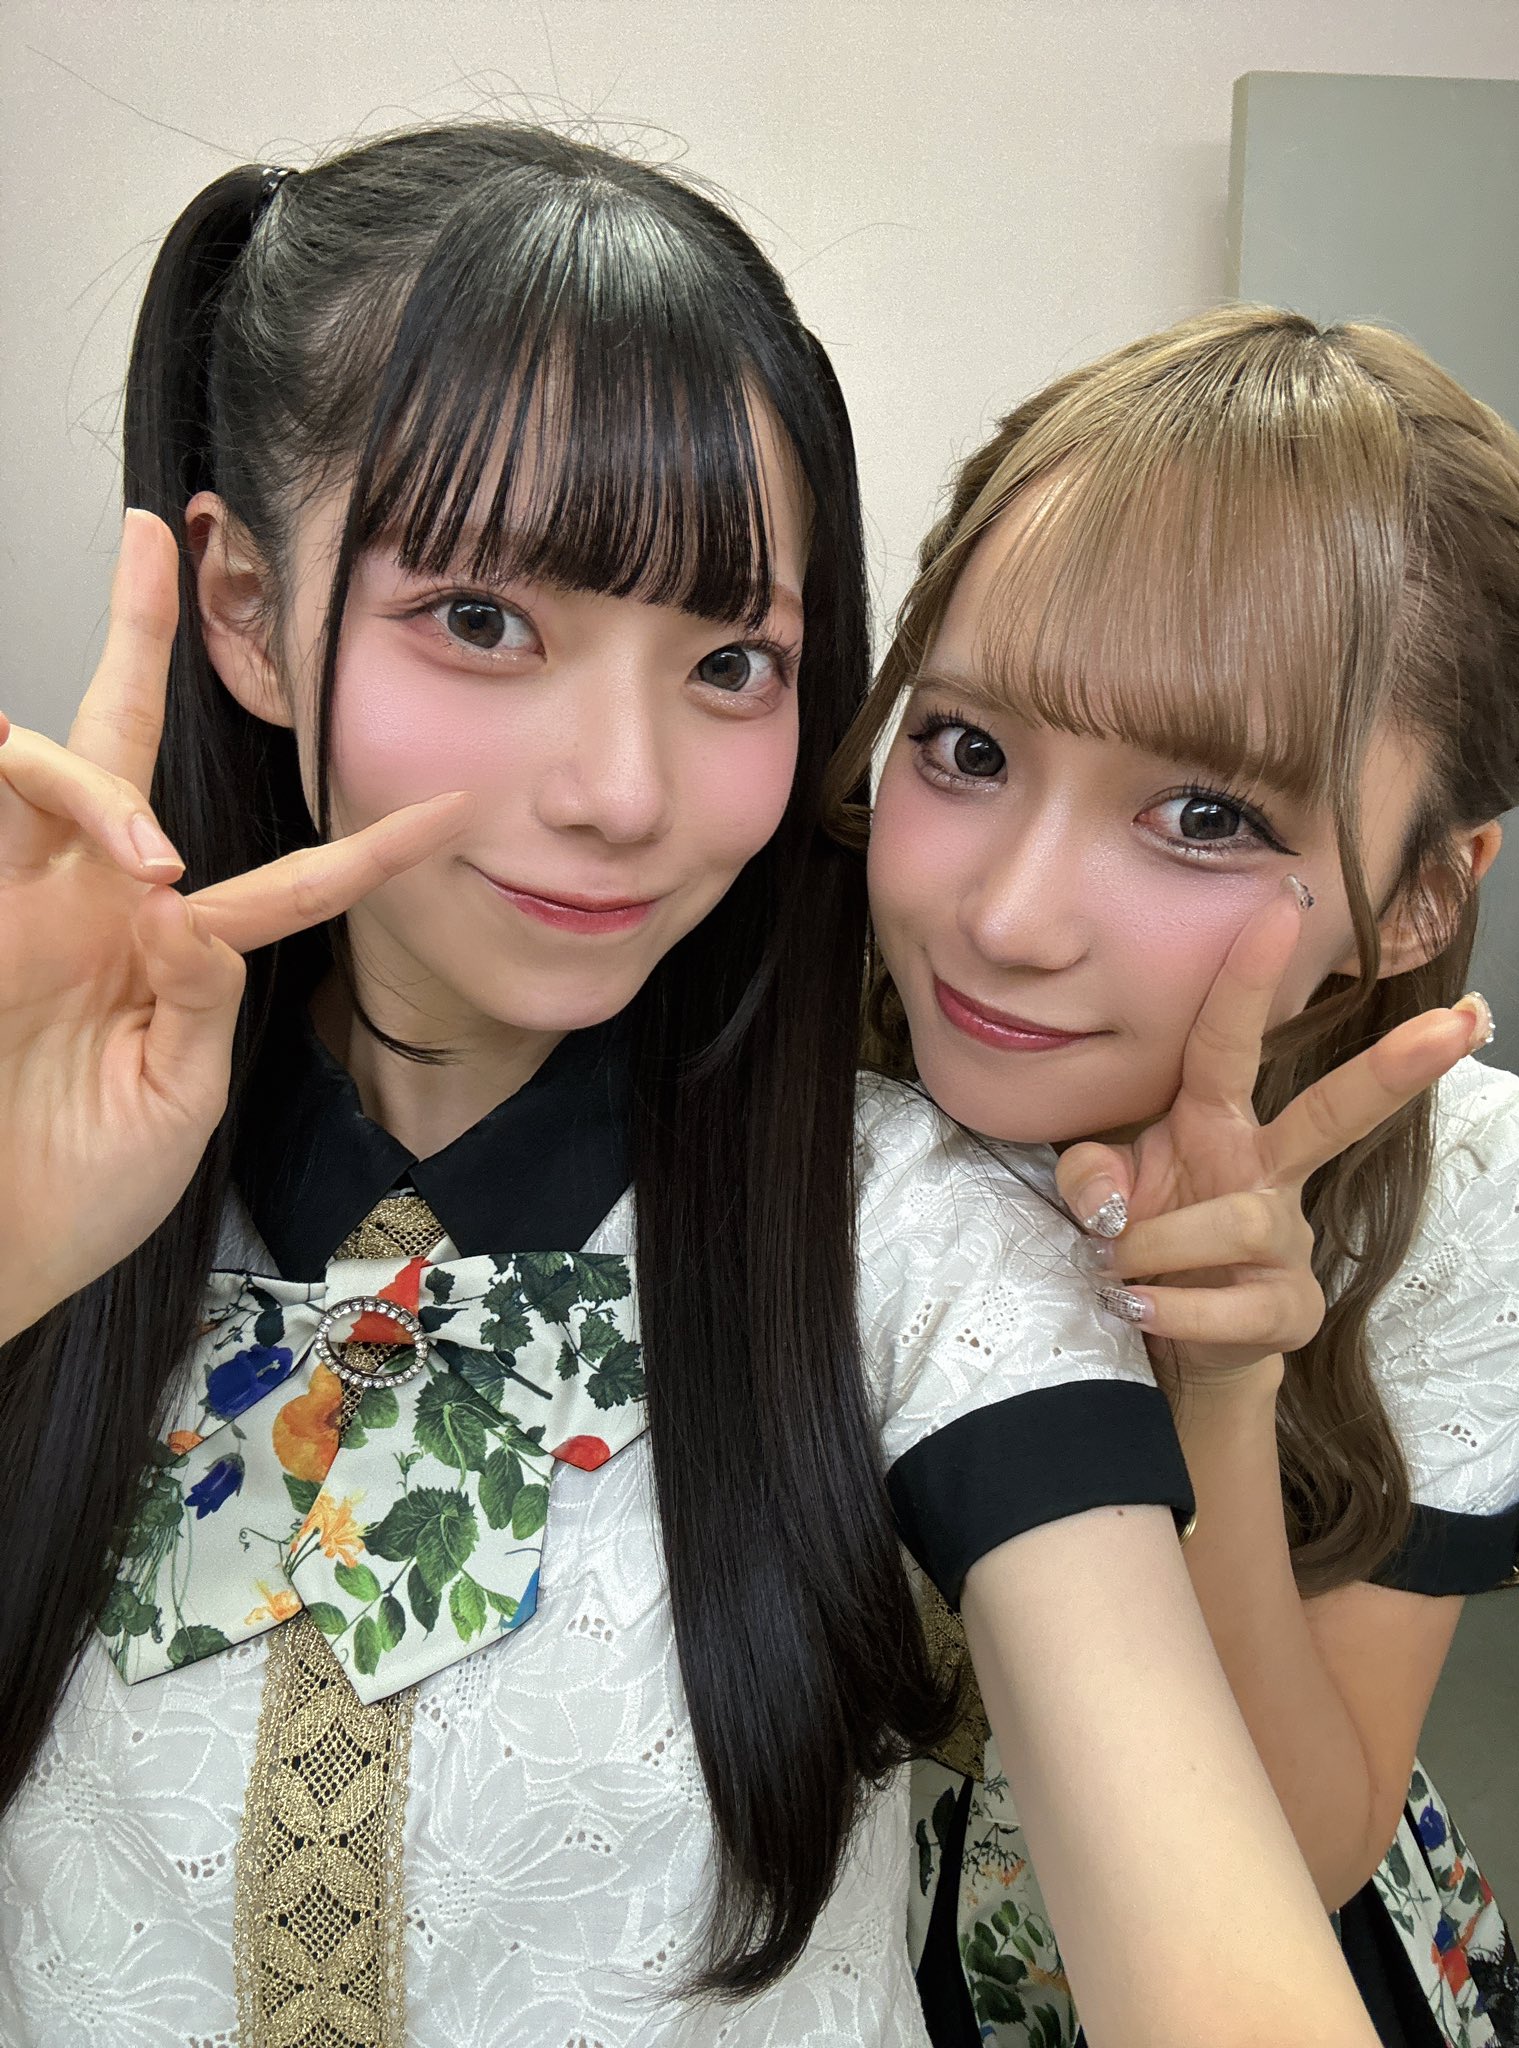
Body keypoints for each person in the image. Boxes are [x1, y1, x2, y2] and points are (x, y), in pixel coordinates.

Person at [0, 134, 1385, 2047]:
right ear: (245, 607)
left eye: (733, 661)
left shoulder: (913, 1244)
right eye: (483, 621)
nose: (626, 793)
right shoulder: (55, 1148)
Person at [831, 305, 1519, 2048]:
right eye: (967, 746)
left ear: (1422, 898)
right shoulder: (770, 1076)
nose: (1007, 917)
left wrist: (1219, 1386)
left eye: (1208, 816)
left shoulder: (1470, 1193)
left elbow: (1309, 1848)